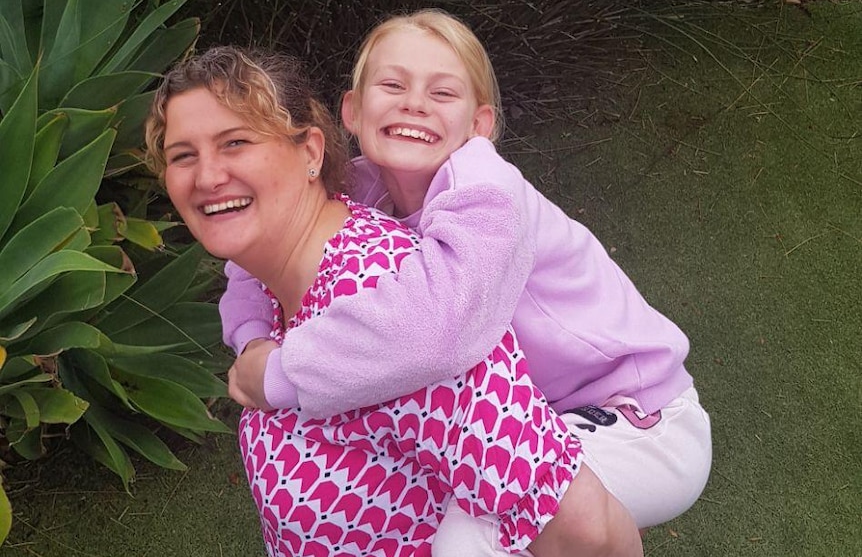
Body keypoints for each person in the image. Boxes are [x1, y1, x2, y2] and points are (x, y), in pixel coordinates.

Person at [223, 7, 712, 552]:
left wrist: (281, 372)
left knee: (465, 537)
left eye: (443, 93)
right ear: (353, 112)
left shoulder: (489, 196)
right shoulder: (357, 188)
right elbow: (263, 240)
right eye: (392, 84)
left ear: (479, 128)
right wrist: (252, 340)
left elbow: (441, 330)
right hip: (529, 417)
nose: (414, 103)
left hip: (634, 413)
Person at [146, 46, 642, 557]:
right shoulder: (274, 283)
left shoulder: (391, 304)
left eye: (236, 143)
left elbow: (585, 529)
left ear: (311, 153)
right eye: (184, 155)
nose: (206, 177)